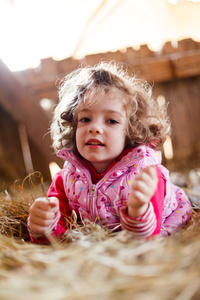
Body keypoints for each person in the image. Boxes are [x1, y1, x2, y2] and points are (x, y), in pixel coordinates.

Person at [28, 61, 192, 244]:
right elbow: (61, 240)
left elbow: (146, 242)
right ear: (73, 126)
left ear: (130, 131)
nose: (95, 128)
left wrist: (138, 210)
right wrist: (42, 227)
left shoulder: (145, 176)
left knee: (194, 198)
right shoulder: (67, 179)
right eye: (85, 119)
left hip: (165, 219)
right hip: (102, 251)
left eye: (111, 121)